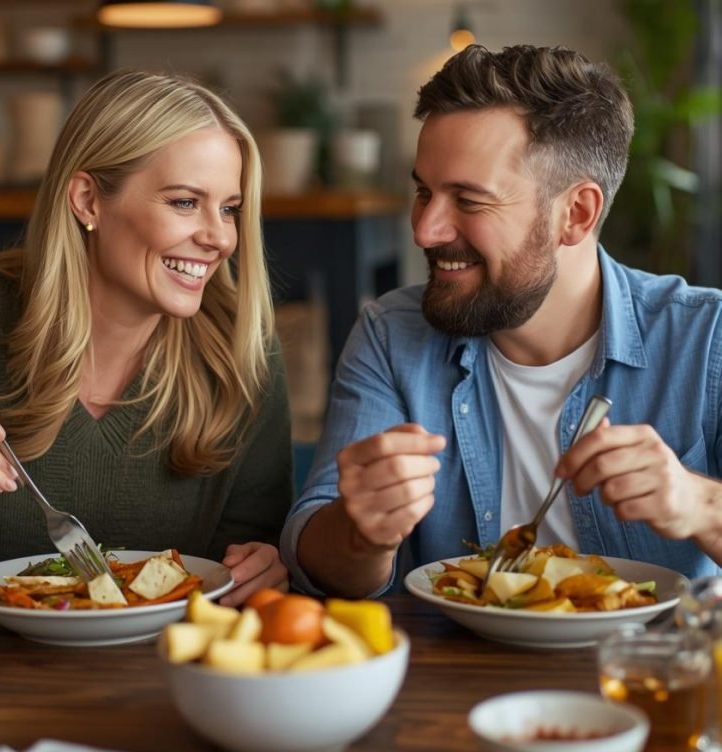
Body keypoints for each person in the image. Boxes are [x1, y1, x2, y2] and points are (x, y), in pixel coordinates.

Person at [280, 43, 722, 598]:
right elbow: (317, 562)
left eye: (468, 200)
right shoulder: (390, 335)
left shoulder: (706, 338)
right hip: (456, 681)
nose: (426, 230)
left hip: (652, 675)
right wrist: (362, 531)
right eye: (423, 192)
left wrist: (700, 503)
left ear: (576, 214)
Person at [0, 70, 292, 605]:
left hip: (168, 678)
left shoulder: (239, 350)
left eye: (229, 208)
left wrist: (266, 563)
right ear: (88, 200)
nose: (219, 237)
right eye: (185, 202)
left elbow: (252, 542)